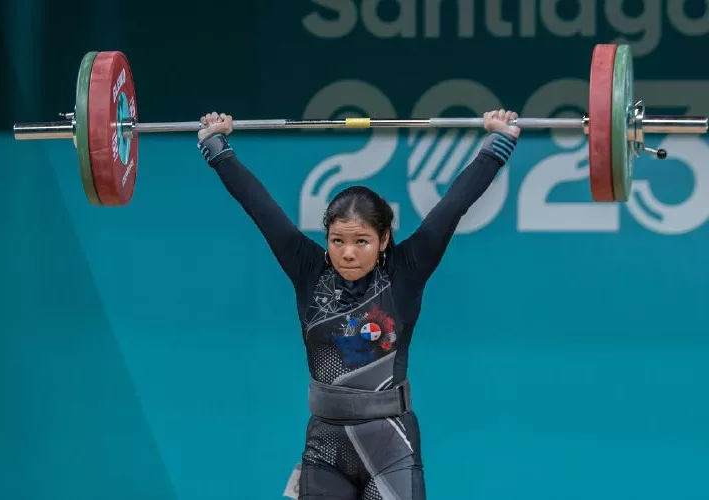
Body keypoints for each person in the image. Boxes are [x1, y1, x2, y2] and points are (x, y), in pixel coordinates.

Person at [196, 109, 521, 500]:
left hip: (391, 447)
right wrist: (216, 145)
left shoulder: (407, 272)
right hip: (326, 448)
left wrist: (499, 141)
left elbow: (453, 207)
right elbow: (260, 208)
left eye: (361, 241)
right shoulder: (308, 270)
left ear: (384, 240)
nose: (347, 253)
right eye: (337, 241)